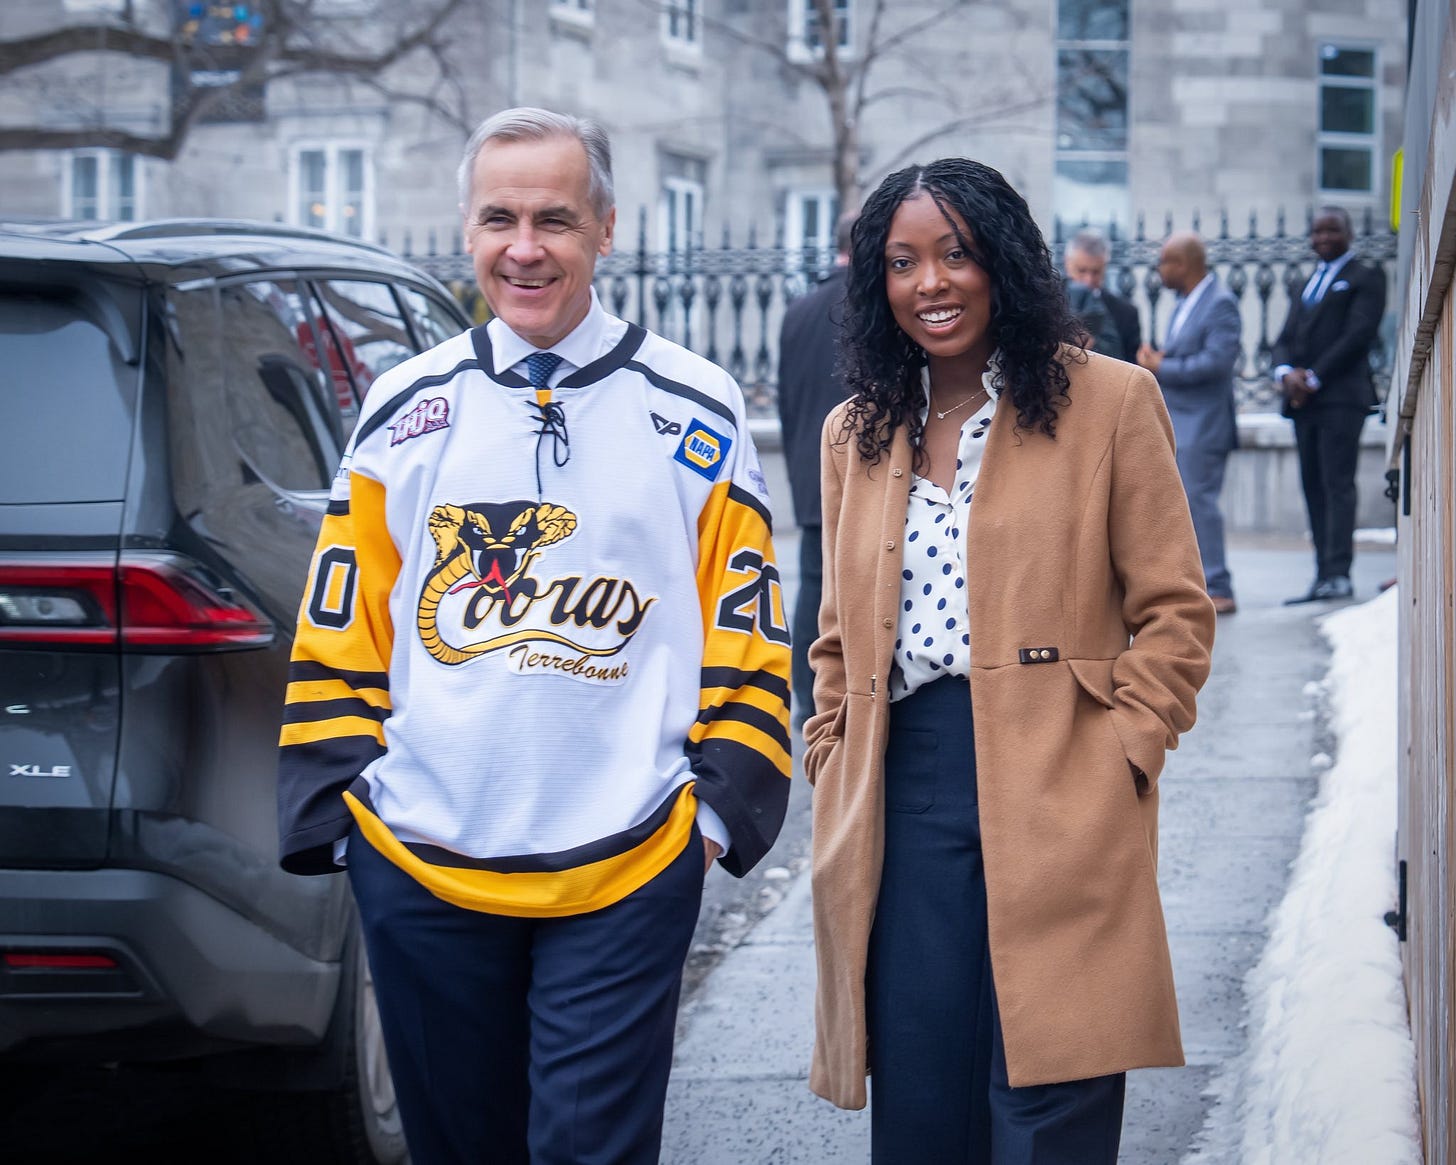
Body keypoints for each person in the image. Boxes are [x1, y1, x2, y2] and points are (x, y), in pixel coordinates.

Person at [276, 107, 791, 1164]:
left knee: (585, 1151)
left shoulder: (695, 405)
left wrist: (717, 807)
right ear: (466, 232)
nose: (525, 246)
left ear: (606, 229)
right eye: (498, 218)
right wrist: (345, 804)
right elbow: (342, 612)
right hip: (422, 858)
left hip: (630, 853)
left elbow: (747, 620)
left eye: (554, 218)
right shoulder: (403, 405)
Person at [804, 157, 1215, 1163]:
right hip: (903, 788)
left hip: (1062, 775)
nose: (930, 282)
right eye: (903, 262)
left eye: (955, 253)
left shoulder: (1109, 402)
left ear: (1003, 262)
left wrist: (1124, 751)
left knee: (1052, 1093)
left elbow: (1174, 611)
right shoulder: (853, 432)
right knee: (922, 1093)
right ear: (877, 282)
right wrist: (830, 748)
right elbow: (831, 635)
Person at [1272, 206, 1387, 603]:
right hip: (1303, 403)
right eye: (1317, 231)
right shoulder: (1308, 282)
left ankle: (1339, 574)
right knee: (1313, 486)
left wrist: (1314, 377)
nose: (1323, 238)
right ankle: (1321, 574)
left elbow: (1358, 335)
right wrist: (1286, 373)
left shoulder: (1365, 277)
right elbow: (1285, 336)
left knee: (1338, 485)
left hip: (1341, 399)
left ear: (1348, 233)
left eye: (1331, 231)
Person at [777, 210, 856, 725]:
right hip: (861, 464)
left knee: (814, 586)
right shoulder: (873, 302)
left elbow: (786, 397)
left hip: (808, 465)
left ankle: (808, 700)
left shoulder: (799, 308)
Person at [1136, 233, 1242, 615]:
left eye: (1164, 262)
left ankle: (1219, 587)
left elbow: (1216, 363)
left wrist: (1161, 366)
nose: (1159, 271)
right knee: (1186, 505)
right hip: (1184, 421)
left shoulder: (1220, 304)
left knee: (1201, 504)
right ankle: (1199, 584)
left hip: (1206, 425)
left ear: (1183, 264)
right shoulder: (1186, 303)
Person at [1063, 227, 1141, 362]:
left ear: (1105, 268)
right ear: (1067, 263)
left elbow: (1132, 368)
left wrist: (1096, 346)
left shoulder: (1126, 313)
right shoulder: (1047, 301)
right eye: (1082, 270)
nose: (1088, 280)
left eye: (1096, 272)